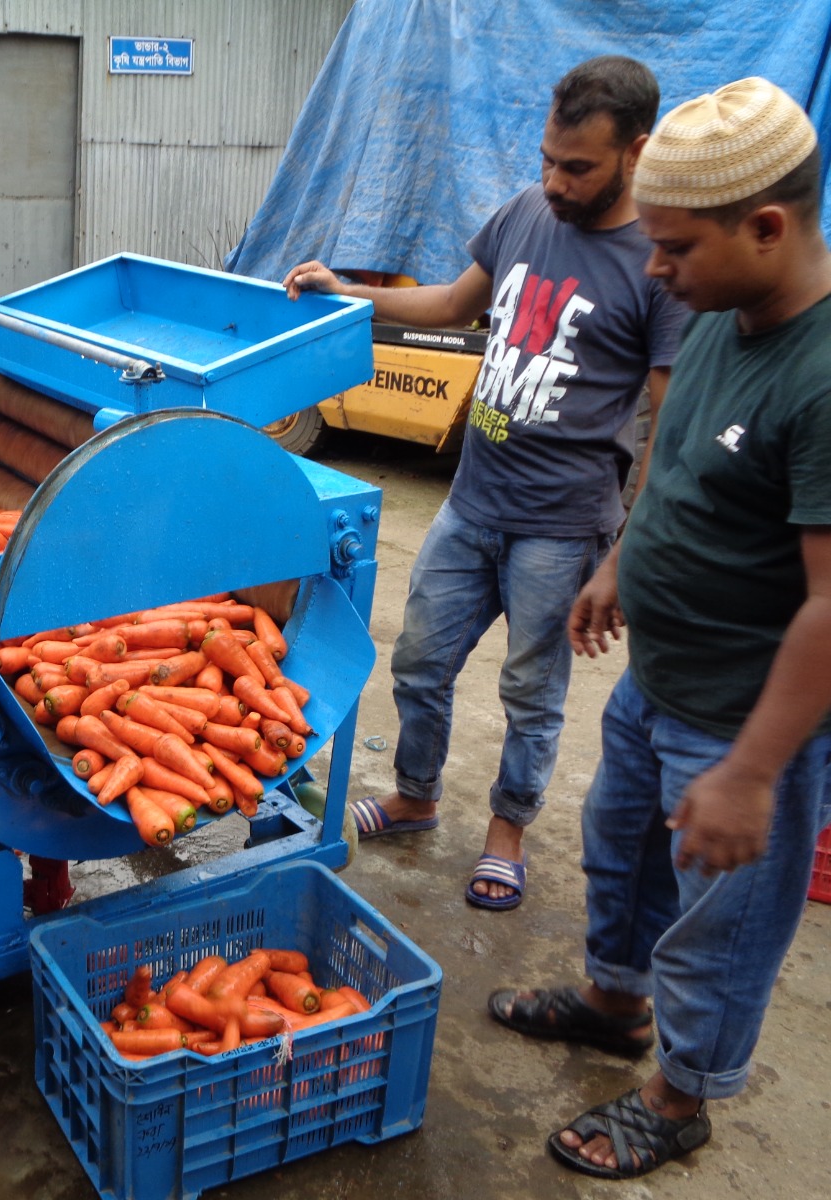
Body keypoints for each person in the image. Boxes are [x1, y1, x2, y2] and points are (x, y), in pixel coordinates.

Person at [489, 77, 831, 1180]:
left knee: (718, 923)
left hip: (739, 721)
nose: (654, 268)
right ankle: (611, 1005)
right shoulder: (732, 317)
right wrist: (618, 566)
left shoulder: (821, 378)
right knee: (620, 853)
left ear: (766, 227)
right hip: (655, 679)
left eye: (676, 247)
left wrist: (752, 773)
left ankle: (681, 1095)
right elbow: (677, 465)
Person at [282, 56, 687, 908]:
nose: (554, 179)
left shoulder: (659, 262)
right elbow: (453, 306)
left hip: (563, 522)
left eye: (576, 167)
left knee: (531, 691)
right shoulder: (525, 213)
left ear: (636, 152)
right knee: (419, 662)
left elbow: (666, 424)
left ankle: (508, 829)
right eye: (547, 158)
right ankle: (418, 797)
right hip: (472, 500)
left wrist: (623, 556)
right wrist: (346, 292)